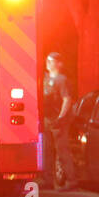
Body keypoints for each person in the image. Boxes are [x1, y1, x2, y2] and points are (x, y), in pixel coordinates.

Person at [41, 52, 75, 189]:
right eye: (47, 60)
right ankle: (47, 181)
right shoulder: (44, 78)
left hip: (58, 121)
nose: (47, 62)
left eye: (51, 60)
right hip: (47, 119)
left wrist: (60, 118)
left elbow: (67, 99)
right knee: (46, 151)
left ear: (59, 64)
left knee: (62, 151)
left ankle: (72, 181)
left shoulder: (62, 80)